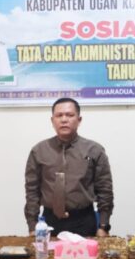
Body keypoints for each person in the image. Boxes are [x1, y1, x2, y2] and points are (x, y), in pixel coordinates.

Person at [24, 98, 113, 237]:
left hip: (84, 221)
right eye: (59, 115)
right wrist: (32, 225)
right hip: (49, 222)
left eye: (69, 115)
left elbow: (105, 190)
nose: (64, 120)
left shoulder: (94, 150)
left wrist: (103, 225)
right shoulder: (39, 151)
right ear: (52, 120)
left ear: (79, 119)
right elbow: (32, 191)